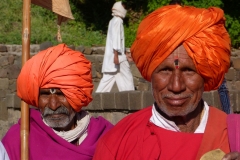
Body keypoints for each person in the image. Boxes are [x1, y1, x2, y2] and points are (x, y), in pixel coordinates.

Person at [93, 5, 240, 160]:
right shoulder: (118, 141)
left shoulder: (234, 135)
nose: (176, 86)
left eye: (189, 71)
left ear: (205, 74)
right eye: (165, 70)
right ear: (150, 73)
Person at [2, 44, 113, 160]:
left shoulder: (104, 136)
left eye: (60, 94)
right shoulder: (18, 139)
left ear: (77, 95)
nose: (53, 105)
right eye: (45, 94)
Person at [96, 1, 134, 92]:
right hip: (118, 58)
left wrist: (125, 53)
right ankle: (131, 99)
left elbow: (118, 41)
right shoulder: (118, 21)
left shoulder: (112, 21)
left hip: (115, 57)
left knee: (107, 81)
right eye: (124, 8)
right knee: (128, 80)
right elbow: (116, 39)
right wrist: (116, 56)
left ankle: (95, 99)